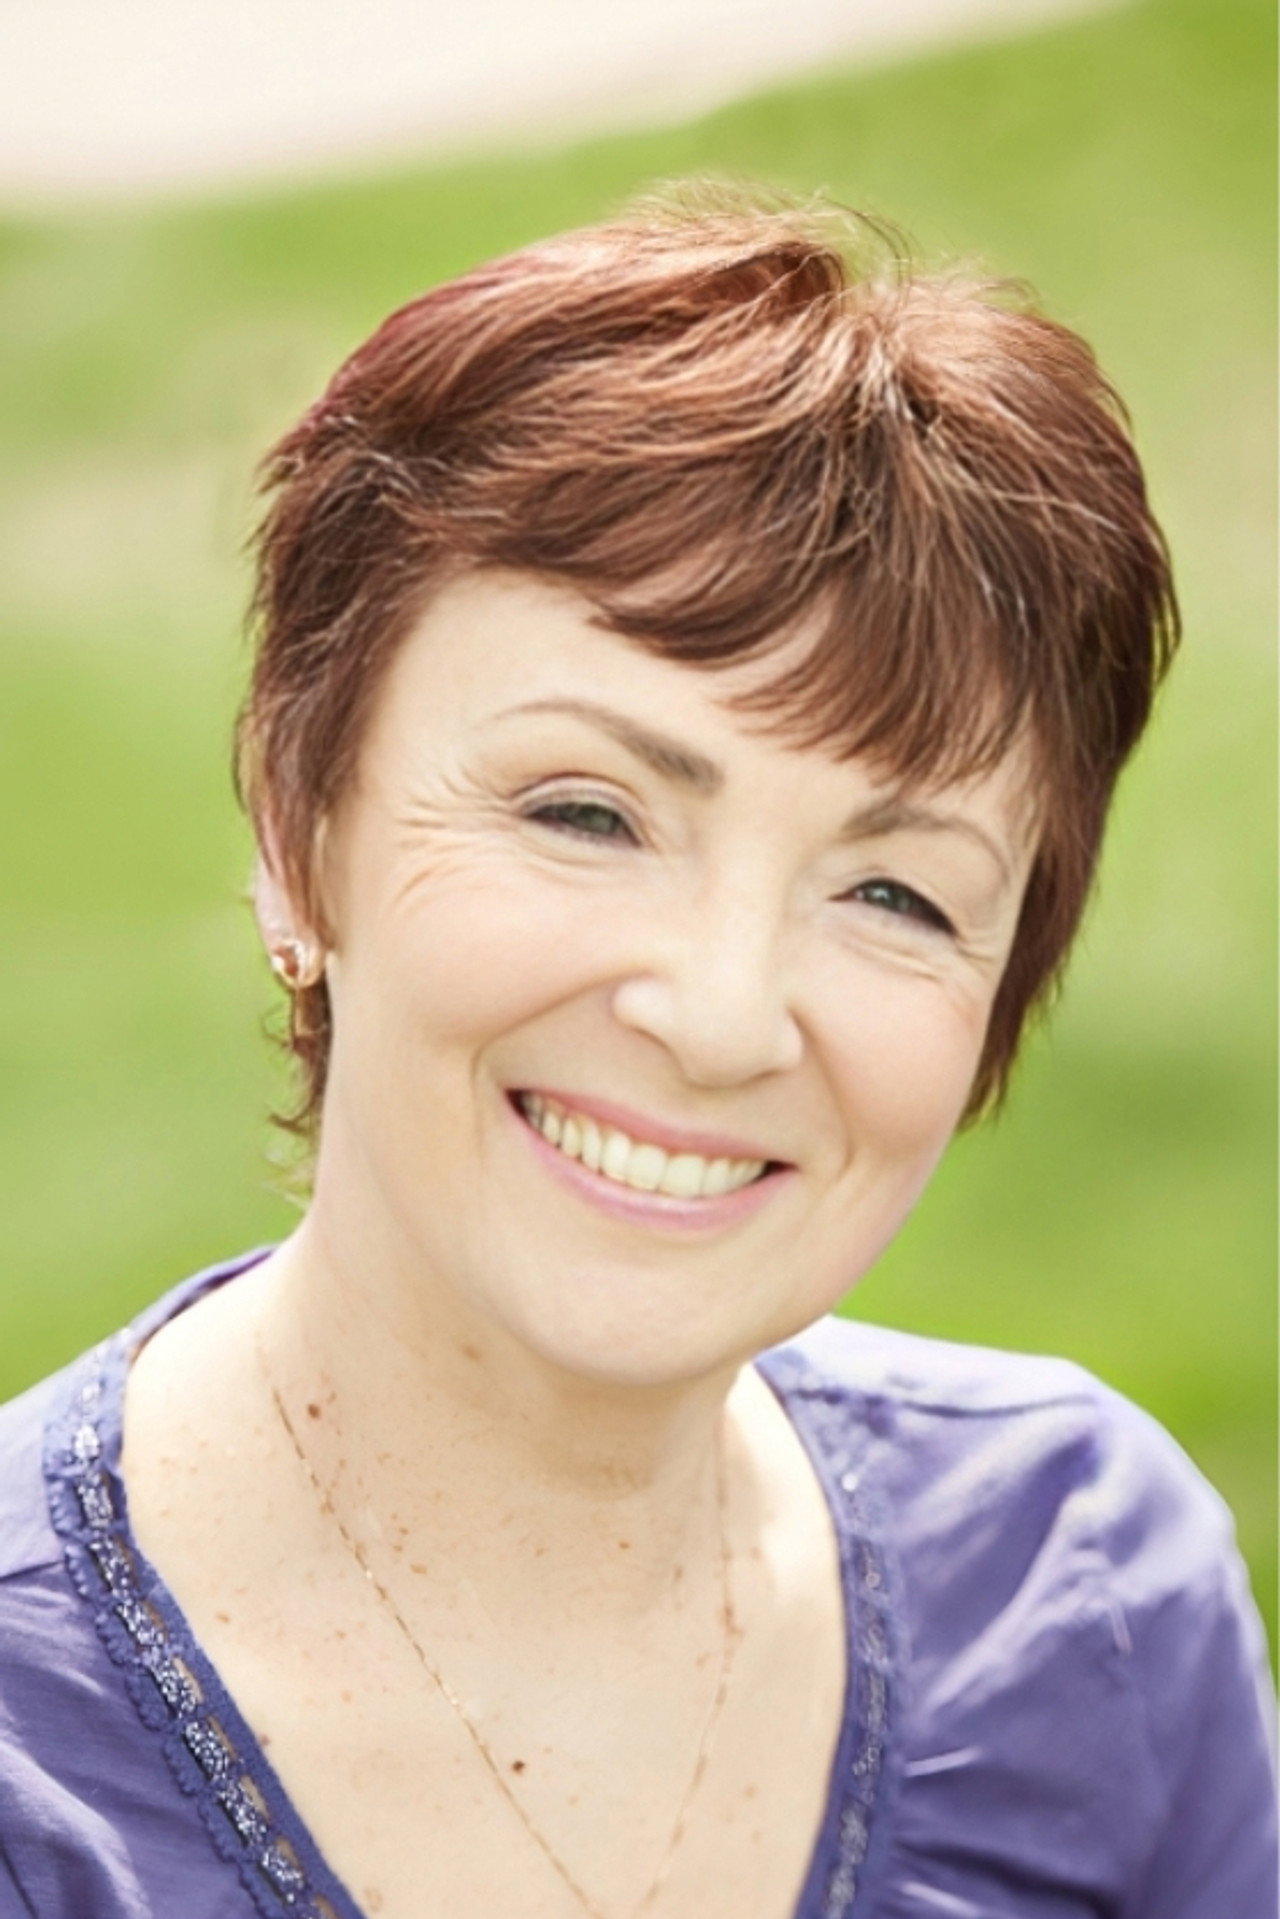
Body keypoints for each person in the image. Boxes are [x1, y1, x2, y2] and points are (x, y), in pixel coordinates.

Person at [0, 184, 1273, 1919]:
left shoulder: (1085, 1598)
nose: (726, 1015)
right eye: (587, 812)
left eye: (895, 894)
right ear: (299, 832)